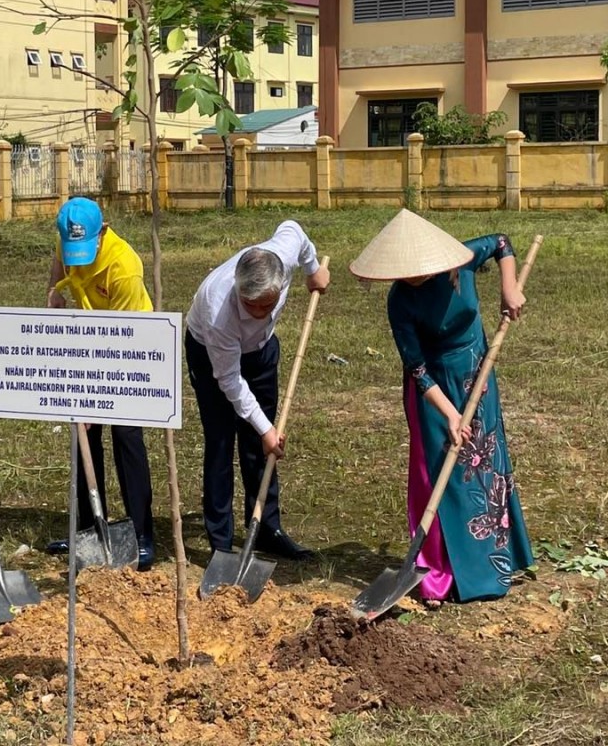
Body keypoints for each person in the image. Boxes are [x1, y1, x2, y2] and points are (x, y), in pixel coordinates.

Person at [350, 208, 533, 603]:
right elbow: (415, 367)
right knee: (444, 474)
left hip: (476, 373)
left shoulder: (463, 260)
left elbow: (502, 242)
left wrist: (509, 287)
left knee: (484, 463)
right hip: (432, 390)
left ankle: (496, 560)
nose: (411, 277)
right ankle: (444, 569)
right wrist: (449, 413)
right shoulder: (400, 302)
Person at [185, 220, 330, 560]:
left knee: (259, 447)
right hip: (211, 357)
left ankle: (267, 527)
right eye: (253, 307)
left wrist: (312, 272)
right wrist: (266, 428)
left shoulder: (284, 252)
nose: (262, 312)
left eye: (269, 305)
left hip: (261, 351)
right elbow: (230, 381)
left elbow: (296, 229)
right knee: (221, 441)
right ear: (238, 290)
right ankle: (221, 542)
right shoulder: (217, 309)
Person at [42, 197, 157, 571]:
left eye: (84, 249)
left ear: (102, 232)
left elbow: (122, 339)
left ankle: (141, 533)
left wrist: (97, 398)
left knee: (126, 436)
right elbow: (59, 262)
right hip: (89, 342)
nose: (78, 257)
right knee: (83, 438)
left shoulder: (124, 267)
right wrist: (54, 292)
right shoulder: (66, 243)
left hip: (130, 348)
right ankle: (89, 529)